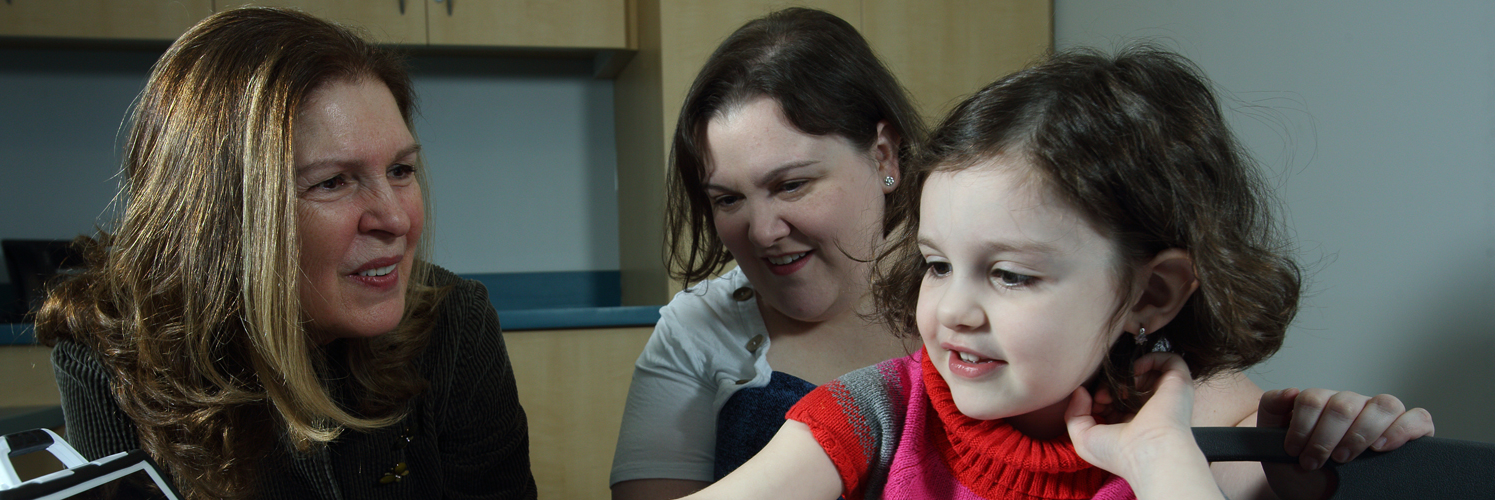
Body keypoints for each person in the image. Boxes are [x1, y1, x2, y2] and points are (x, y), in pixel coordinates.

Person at [610, 9, 1430, 500]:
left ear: (1152, 296)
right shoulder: (880, 409)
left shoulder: (1191, 439)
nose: (952, 310)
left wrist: (1164, 460)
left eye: (1009, 273)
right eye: (936, 264)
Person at [34, 8, 536, 500]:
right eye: (333, 181)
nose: (397, 219)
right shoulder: (117, 354)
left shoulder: (453, 324)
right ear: (221, 215)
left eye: (401, 171)